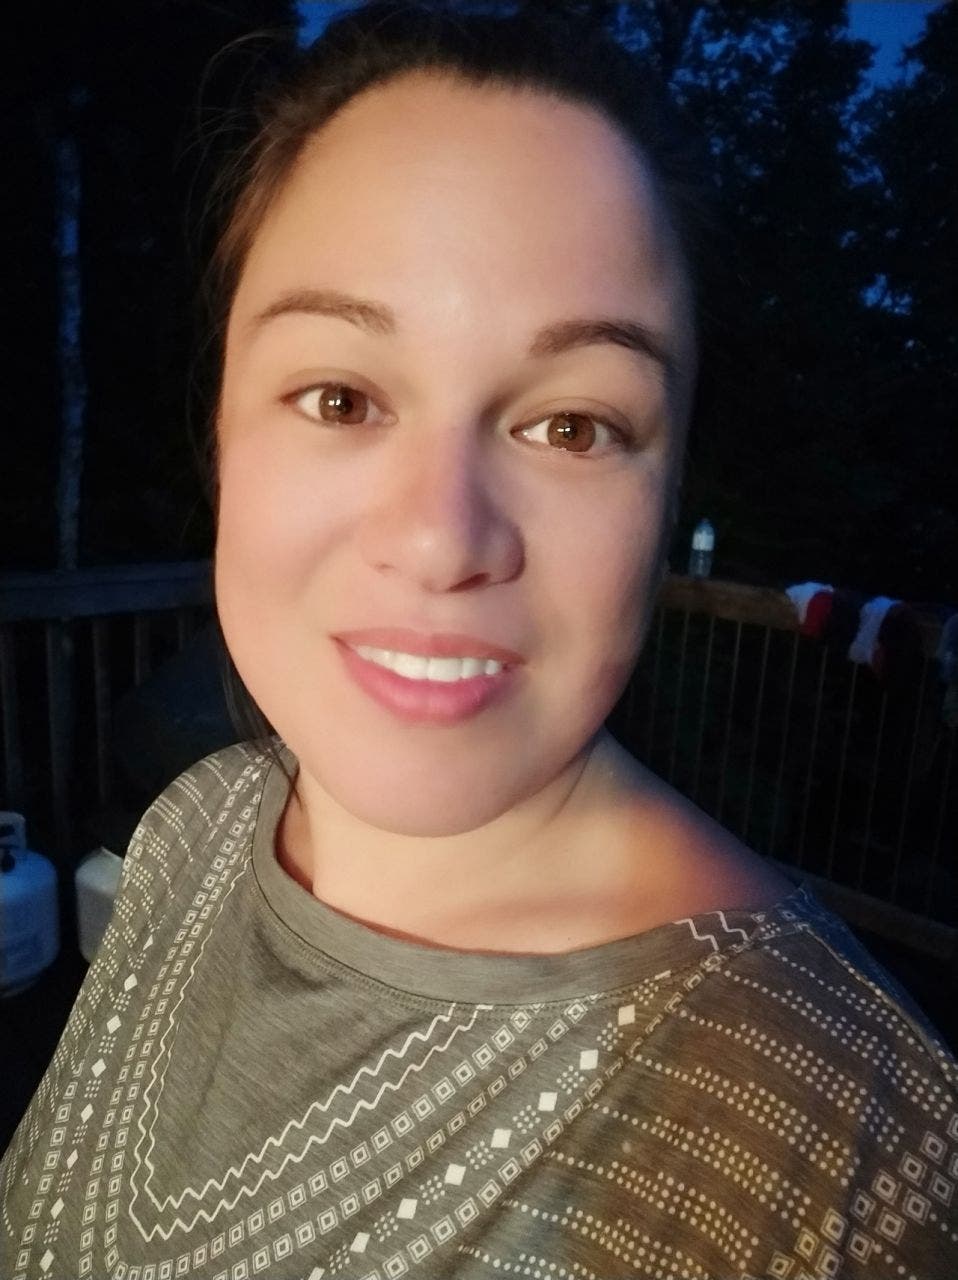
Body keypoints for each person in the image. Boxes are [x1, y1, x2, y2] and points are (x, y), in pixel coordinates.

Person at [3, 4, 956, 1277]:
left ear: (667, 497)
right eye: (340, 397)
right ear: (222, 437)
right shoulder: (195, 825)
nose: (441, 538)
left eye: (572, 427)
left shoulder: (845, 1147)